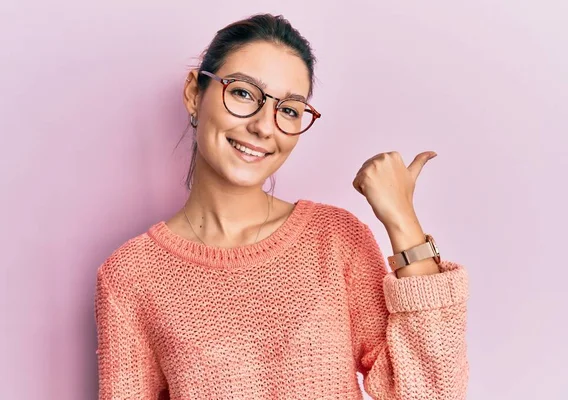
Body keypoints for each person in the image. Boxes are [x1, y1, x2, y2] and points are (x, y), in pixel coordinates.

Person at [94, 13, 469, 400]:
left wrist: (402, 222)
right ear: (194, 93)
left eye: (289, 109)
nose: (264, 125)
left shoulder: (335, 239)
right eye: (242, 93)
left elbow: (433, 392)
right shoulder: (131, 276)